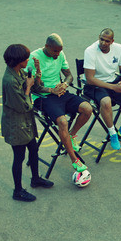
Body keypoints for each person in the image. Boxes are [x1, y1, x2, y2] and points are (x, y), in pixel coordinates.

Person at [28, 34, 93, 173]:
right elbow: (33, 87)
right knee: (62, 122)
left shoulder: (60, 54)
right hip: (43, 97)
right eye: (55, 51)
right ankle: (74, 160)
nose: (58, 54)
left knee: (88, 108)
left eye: (60, 51)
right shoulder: (34, 58)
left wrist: (64, 84)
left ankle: (71, 135)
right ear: (47, 47)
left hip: (61, 93)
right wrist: (52, 90)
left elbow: (69, 75)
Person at [1, 44, 55, 201]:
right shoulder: (10, 80)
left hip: (26, 122)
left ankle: (35, 178)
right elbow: (24, 105)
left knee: (33, 149)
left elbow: (36, 86)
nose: (28, 60)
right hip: (17, 124)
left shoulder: (18, 71)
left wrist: (37, 73)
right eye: (25, 58)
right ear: (19, 61)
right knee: (19, 157)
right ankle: (17, 191)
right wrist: (28, 87)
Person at [83, 28, 121, 151]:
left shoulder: (118, 48)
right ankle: (113, 133)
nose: (103, 43)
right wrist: (113, 87)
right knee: (106, 102)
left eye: (107, 41)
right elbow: (90, 79)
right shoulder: (90, 51)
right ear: (98, 37)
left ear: (112, 41)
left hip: (113, 81)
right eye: (101, 39)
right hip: (95, 85)